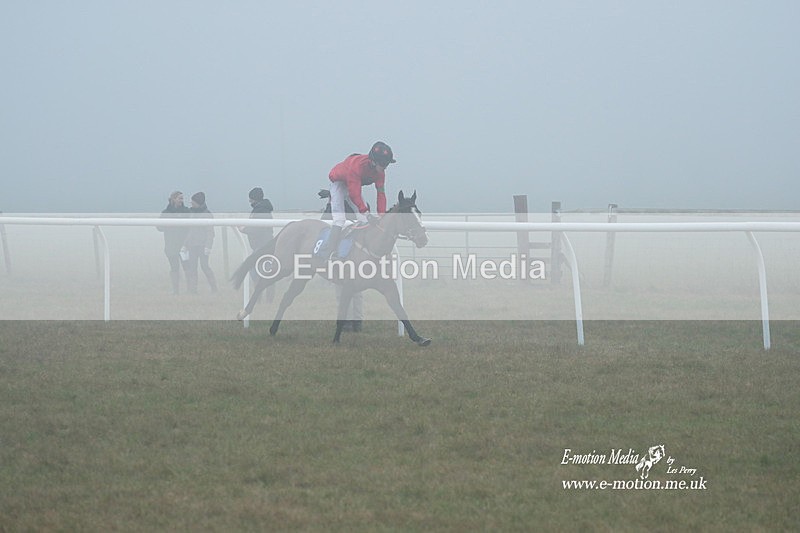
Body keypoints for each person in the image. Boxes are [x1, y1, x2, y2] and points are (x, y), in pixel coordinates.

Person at [314, 141, 395, 264]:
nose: (385, 168)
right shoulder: (357, 166)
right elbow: (354, 193)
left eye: (387, 164)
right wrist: (367, 213)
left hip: (353, 184)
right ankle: (328, 254)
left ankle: (356, 252)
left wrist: (381, 215)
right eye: (383, 164)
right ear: (373, 161)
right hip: (339, 183)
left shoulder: (380, 173)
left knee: (364, 220)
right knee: (339, 219)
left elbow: (381, 194)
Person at [319, 189, 363, 331]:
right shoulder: (357, 205)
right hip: (357, 255)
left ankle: (346, 323)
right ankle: (357, 321)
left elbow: (324, 227)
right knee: (356, 290)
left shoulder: (335, 209)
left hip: (342, 255)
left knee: (342, 289)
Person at [183, 191, 218, 293]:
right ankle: (192, 290)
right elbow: (189, 231)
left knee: (204, 266)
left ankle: (214, 288)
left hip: (202, 246)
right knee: (192, 268)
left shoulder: (207, 214)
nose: (191, 204)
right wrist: (185, 244)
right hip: (192, 245)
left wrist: (208, 246)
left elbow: (210, 232)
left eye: (193, 202)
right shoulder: (192, 213)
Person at [157, 191, 190, 295]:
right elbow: (159, 227)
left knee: (187, 268)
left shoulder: (186, 212)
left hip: (184, 245)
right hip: (171, 245)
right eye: (179, 198)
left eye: (182, 198)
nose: (181, 200)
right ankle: (176, 291)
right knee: (174, 268)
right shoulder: (166, 213)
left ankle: (190, 290)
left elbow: (191, 228)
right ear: (173, 199)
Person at [239, 187, 274, 251]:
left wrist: (243, 229)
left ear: (254, 198)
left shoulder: (261, 210)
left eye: (251, 198)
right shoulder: (262, 209)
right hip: (262, 245)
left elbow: (257, 228)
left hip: (261, 246)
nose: (249, 200)